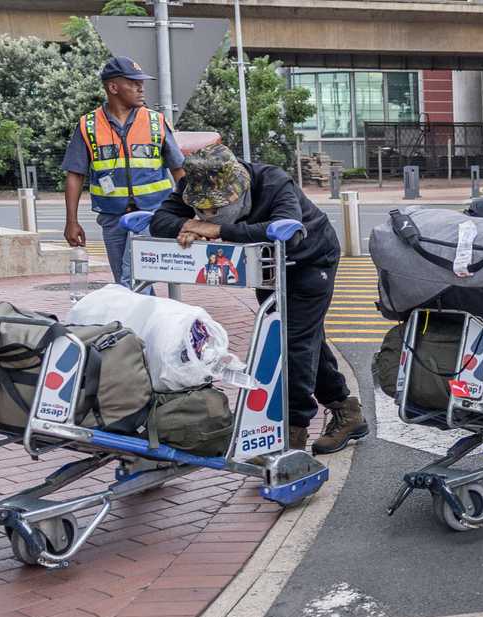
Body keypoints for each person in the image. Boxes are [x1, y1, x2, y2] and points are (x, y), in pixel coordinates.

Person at [148, 144, 368, 456]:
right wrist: (191, 226)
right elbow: (161, 220)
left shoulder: (273, 181)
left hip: (309, 260)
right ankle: (346, 409)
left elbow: (288, 232)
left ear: (239, 189)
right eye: (202, 209)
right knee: (302, 339)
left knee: (291, 343)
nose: (207, 213)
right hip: (267, 268)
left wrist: (218, 229)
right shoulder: (195, 182)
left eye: (217, 207)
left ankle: (292, 432)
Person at [62, 57, 185, 288]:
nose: (141, 88)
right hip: (112, 218)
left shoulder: (155, 122)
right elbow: (75, 175)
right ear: (113, 87)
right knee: (125, 284)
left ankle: (141, 321)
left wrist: (189, 211)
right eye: (134, 83)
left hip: (152, 214)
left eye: (142, 83)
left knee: (133, 280)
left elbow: (179, 170)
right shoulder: (88, 125)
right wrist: (71, 221)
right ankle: (143, 321)